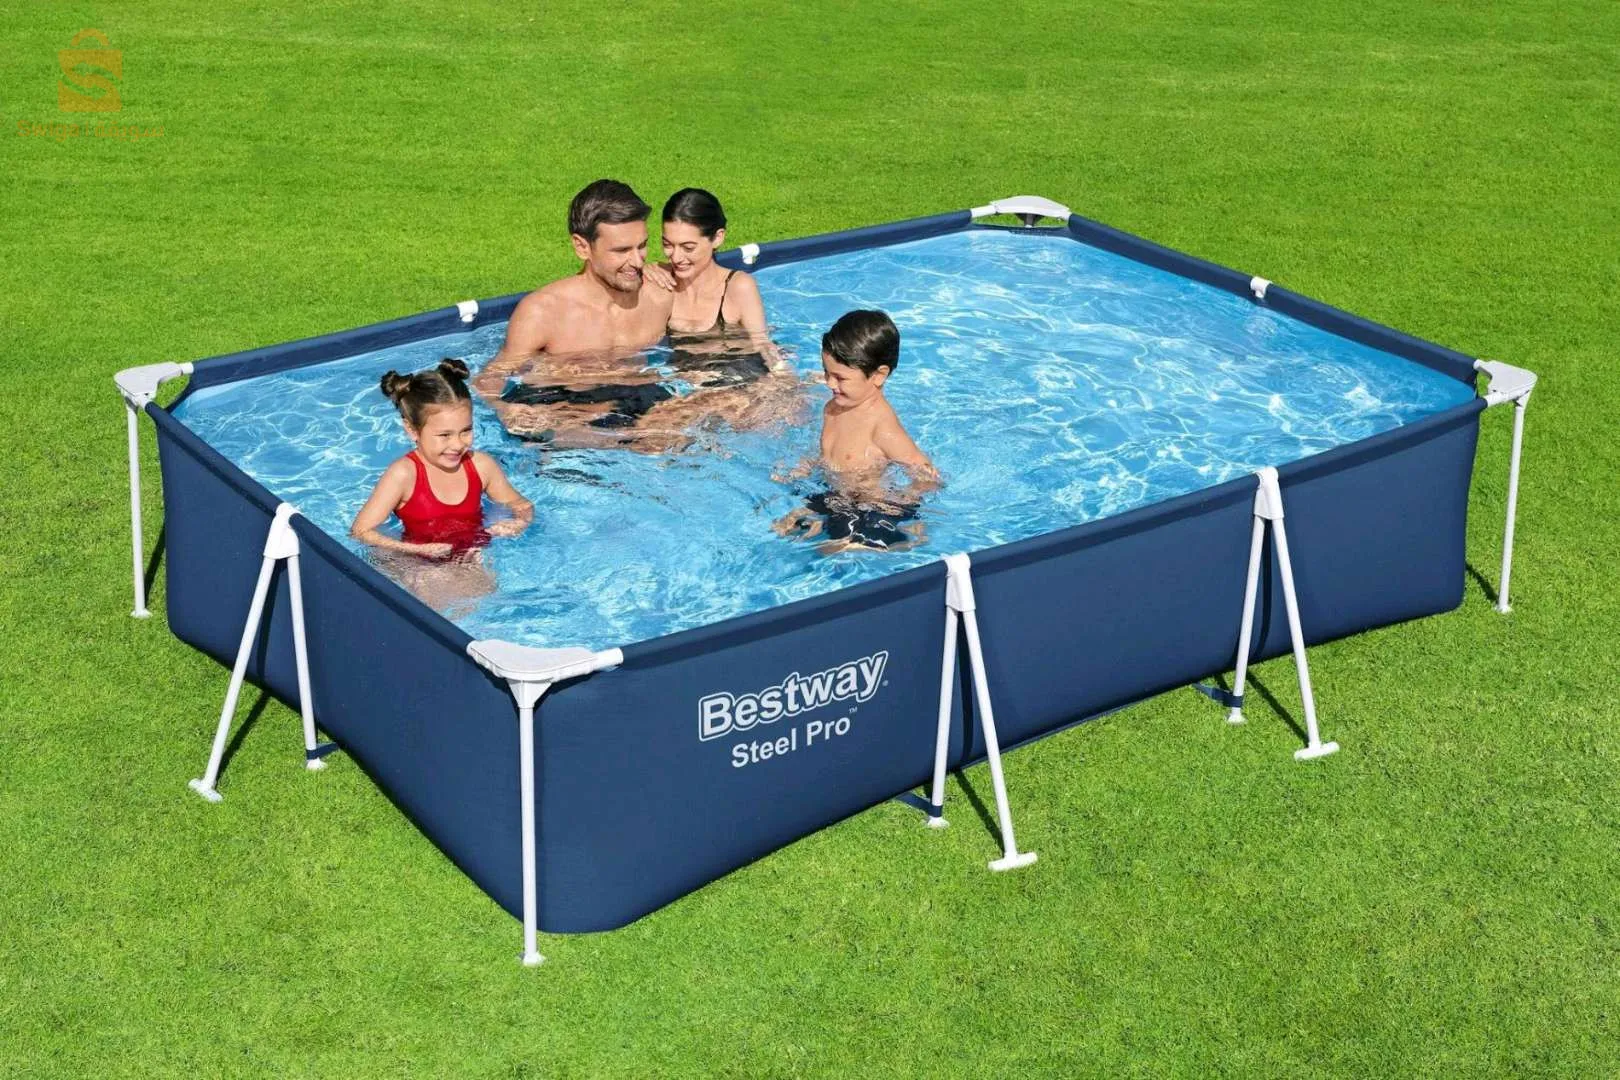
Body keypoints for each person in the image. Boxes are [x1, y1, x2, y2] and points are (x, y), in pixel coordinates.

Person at [473, 180, 683, 445]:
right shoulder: (543, 312)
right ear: (582, 247)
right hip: (563, 409)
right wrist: (505, 409)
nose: (637, 261)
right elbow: (489, 379)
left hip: (637, 398)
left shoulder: (661, 293)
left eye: (641, 246)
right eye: (621, 251)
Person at [775, 310, 938, 552]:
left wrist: (906, 498)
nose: (829, 383)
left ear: (878, 375)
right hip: (834, 495)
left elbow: (927, 474)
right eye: (826, 373)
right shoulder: (832, 408)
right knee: (781, 528)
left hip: (871, 509)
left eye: (840, 378)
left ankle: (908, 537)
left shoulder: (882, 427)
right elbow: (827, 452)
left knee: (831, 549)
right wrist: (805, 465)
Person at [351, 358, 533, 559]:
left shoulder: (481, 466)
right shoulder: (404, 475)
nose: (457, 444)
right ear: (412, 430)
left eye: (466, 431)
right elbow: (361, 531)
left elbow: (522, 505)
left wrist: (518, 522)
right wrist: (416, 550)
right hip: (416, 561)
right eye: (445, 435)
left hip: (471, 554)